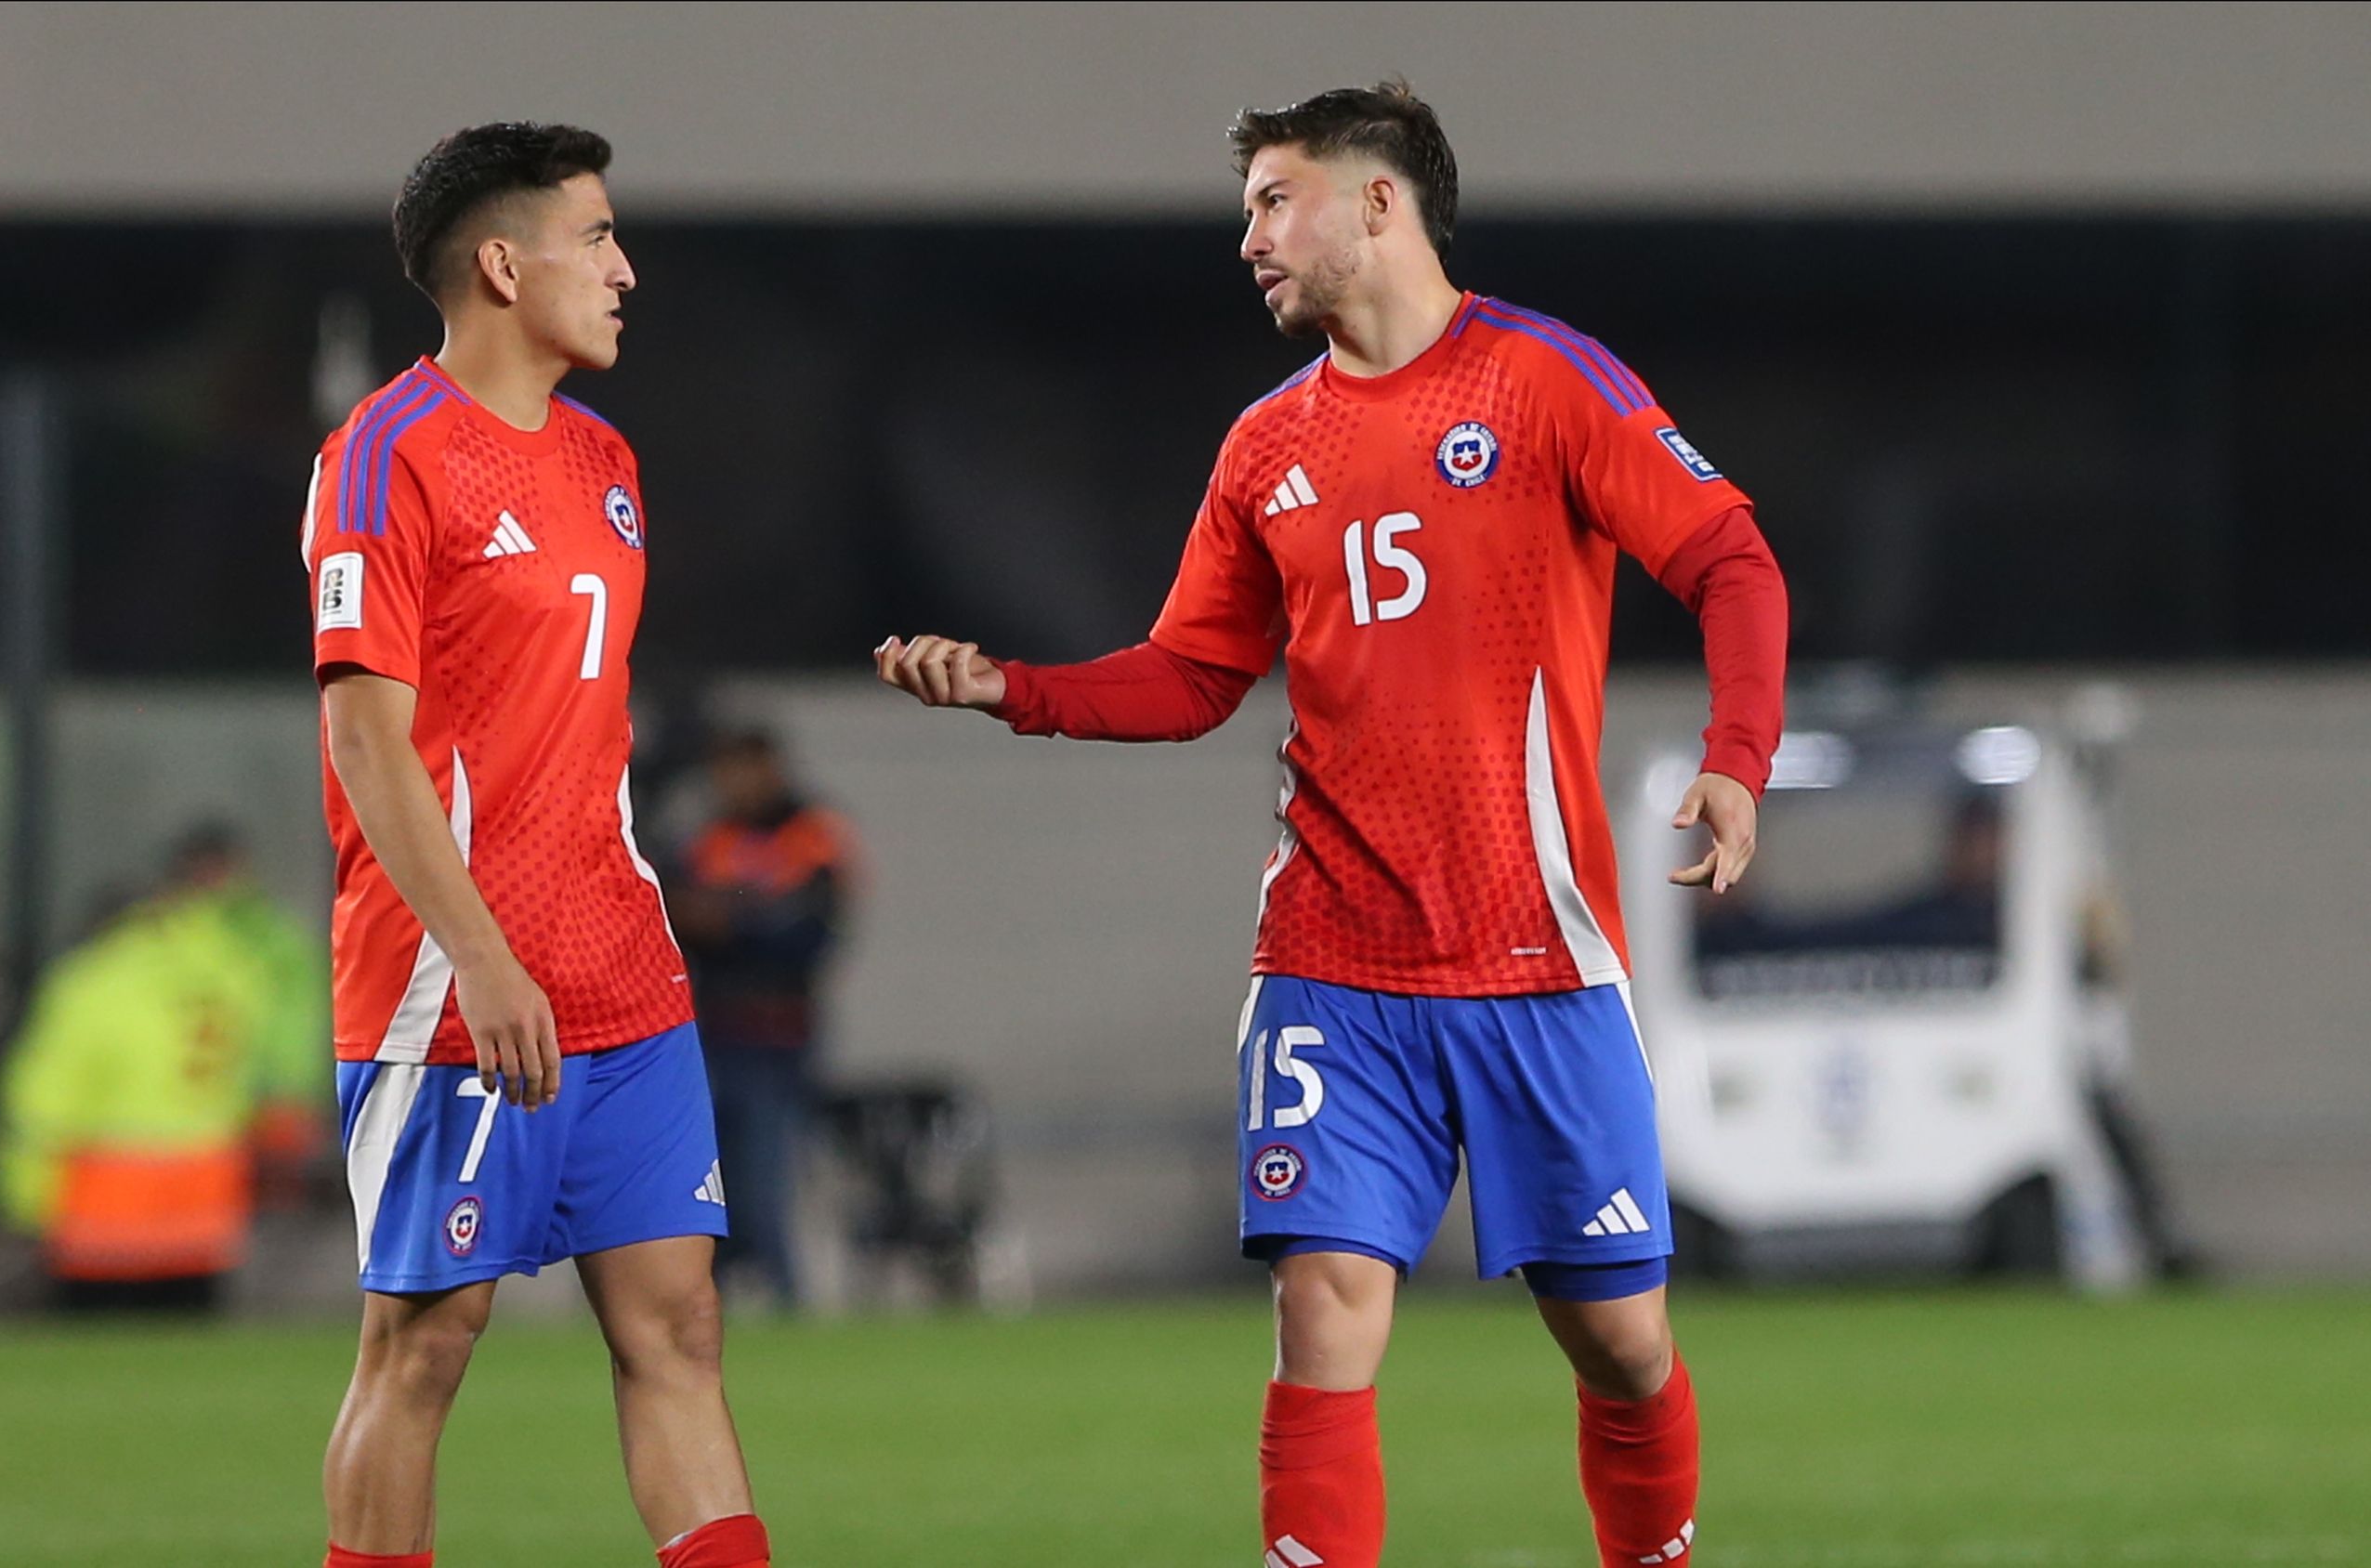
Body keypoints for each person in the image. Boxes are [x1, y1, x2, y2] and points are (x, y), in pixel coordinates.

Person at [875, 81, 1788, 1568]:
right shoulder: (1264, 449)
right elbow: (1188, 677)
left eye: (1270, 202)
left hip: (1537, 959)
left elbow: (1735, 562)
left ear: (1378, 202)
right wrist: (1014, 688)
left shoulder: (1547, 384)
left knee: (1619, 1339)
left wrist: (1738, 758)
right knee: (1323, 1304)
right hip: (1333, 963)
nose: (1247, 238)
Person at [308, 124, 774, 1568]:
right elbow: (367, 744)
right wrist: (482, 954)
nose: (625, 270)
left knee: (681, 1326)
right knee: (426, 1347)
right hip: (454, 994)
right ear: (505, 266)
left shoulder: (605, 459)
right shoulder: (384, 458)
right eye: (598, 239)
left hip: (623, 978)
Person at [0, 886, 268, 1312]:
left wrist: (25, 1202)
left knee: (95, 1361)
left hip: (109, 1203)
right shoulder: (231, 976)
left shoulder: (91, 982)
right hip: (207, 1197)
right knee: (193, 1359)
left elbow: (41, 1106)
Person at [671, 729, 859, 1309]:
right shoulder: (710, 838)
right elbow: (675, 919)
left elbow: (806, 933)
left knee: (766, 1174)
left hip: (779, 1032)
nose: (734, 785)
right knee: (709, 1178)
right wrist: (740, 919)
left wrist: (729, 921)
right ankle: (715, 1296)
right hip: (712, 1033)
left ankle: (783, 1295)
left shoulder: (814, 835)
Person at [165, 822, 334, 1204]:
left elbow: (302, 1018)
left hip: (272, 1094)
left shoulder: (267, 936)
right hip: (215, 1095)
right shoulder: (266, 935)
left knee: (272, 1208)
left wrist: (297, 1088)